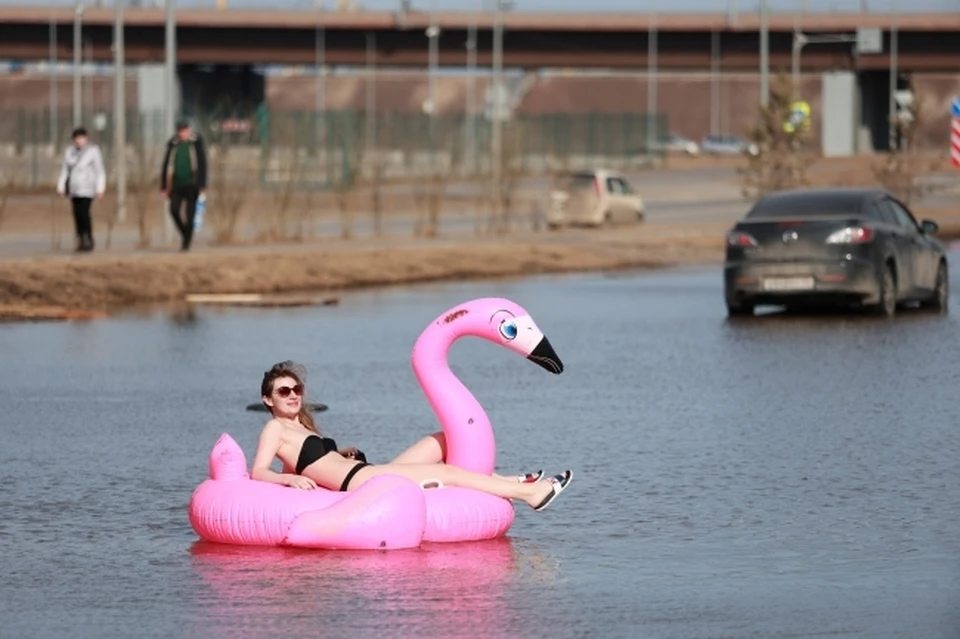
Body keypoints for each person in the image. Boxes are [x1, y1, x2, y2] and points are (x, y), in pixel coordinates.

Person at [250, 361, 573, 512]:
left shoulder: (301, 427)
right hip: (361, 482)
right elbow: (258, 471)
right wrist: (287, 481)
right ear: (268, 399)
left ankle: (509, 479)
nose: (293, 395)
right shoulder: (275, 428)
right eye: (284, 391)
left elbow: (306, 463)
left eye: (297, 389)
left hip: (364, 471)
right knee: (448, 472)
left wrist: (340, 452)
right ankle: (531, 494)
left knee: (443, 440)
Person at [159, 120, 207, 251]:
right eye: (180, 131)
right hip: (176, 185)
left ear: (189, 130)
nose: (182, 133)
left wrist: (202, 184)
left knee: (190, 214)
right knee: (173, 210)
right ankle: (185, 233)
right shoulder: (173, 145)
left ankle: (186, 243)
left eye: (184, 130)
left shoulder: (195, 144)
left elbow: (202, 164)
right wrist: (164, 186)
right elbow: (166, 165)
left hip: (192, 184)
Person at [56, 127, 106, 252]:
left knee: (84, 214)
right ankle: (80, 239)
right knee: (77, 215)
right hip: (74, 188)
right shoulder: (70, 152)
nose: (79, 141)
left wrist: (100, 188)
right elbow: (65, 170)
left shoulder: (93, 151)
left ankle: (88, 238)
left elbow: (100, 171)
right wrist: (61, 186)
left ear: (86, 138)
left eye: (81, 138)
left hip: (87, 188)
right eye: (77, 138)